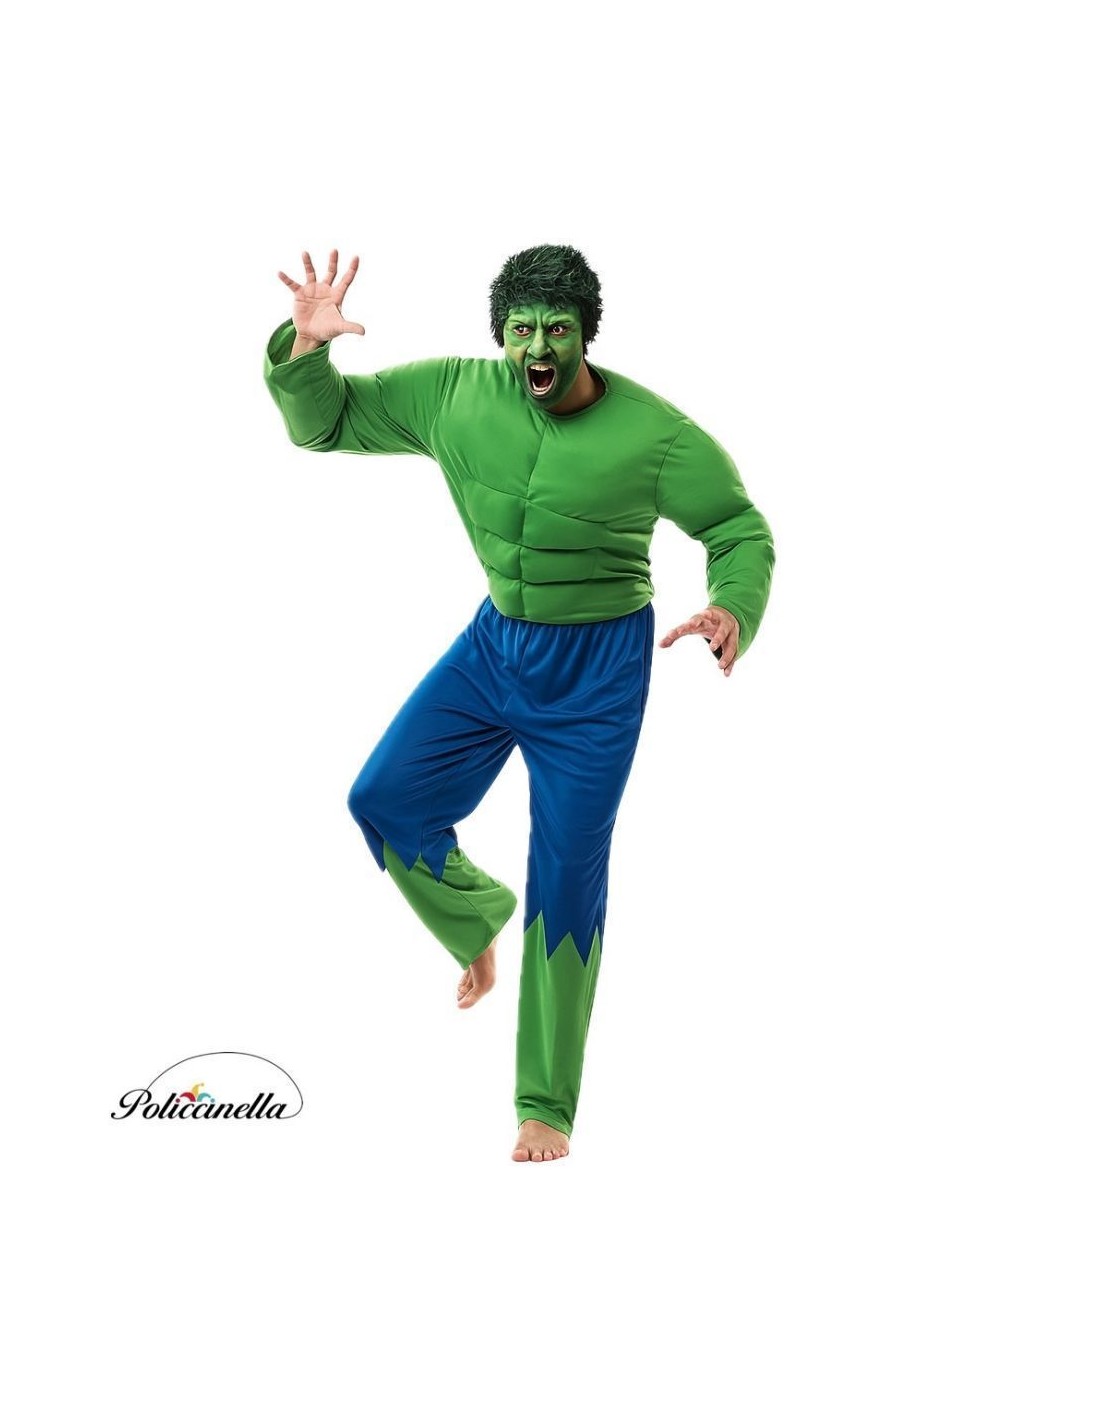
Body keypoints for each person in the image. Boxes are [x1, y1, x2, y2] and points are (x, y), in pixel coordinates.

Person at [263, 243, 775, 1162]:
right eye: (523, 328)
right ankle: (473, 915)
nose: (539, 345)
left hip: (599, 674)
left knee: (567, 876)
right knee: (383, 799)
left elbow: (737, 526)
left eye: (557, 329)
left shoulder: (657, 435)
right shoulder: (454, 395)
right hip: (496, 647)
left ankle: (545, 1106)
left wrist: (733, 606)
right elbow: (326, 423)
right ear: (502, 333)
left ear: (585, 335)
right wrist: (307, 350)